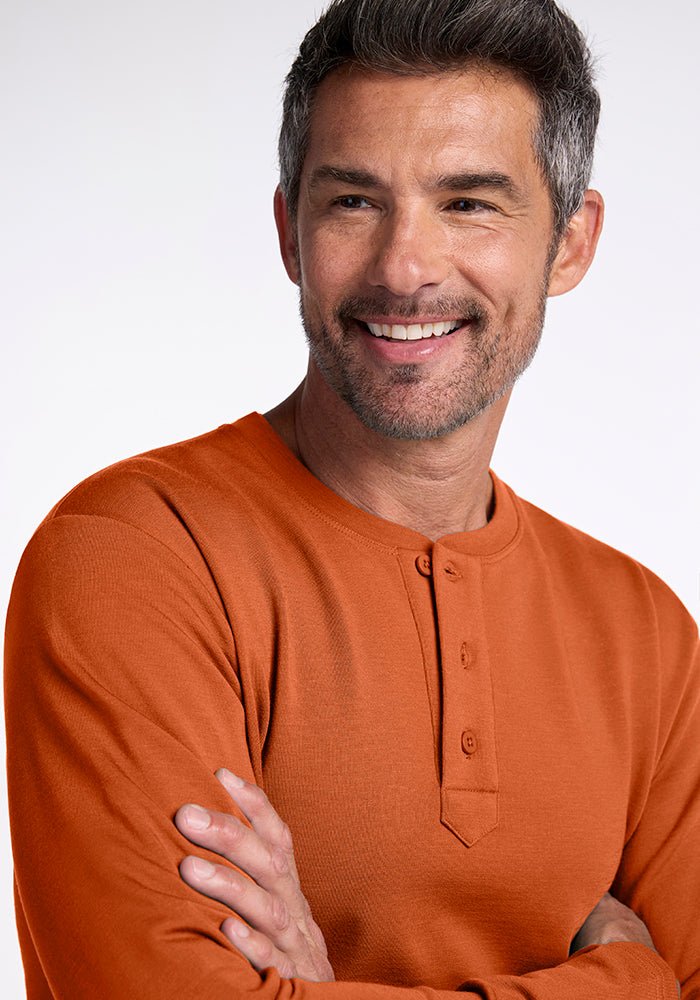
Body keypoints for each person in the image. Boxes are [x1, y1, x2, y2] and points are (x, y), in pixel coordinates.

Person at [4, 0, 697, 997]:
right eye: (353, 202)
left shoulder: (648, 637)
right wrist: (627, 983)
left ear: (569, 243)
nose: (404, 267)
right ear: (289, 231)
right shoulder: (133, 556)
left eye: (468, 202)